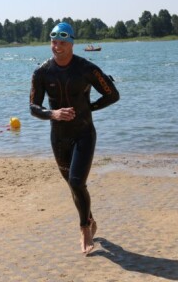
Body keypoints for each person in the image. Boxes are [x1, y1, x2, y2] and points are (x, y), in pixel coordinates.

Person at [29, 22, 120, 256]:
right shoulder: (42, 72)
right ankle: (89, 218)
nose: (56, 46)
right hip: (59, 137)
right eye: (53, 42)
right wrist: (53, 114)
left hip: (84, 133)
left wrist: (89, 108)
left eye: (62, 42)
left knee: (77, 182)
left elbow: (112, 95)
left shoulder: (87, 68)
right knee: (73, 184)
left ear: (71, 43)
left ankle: (84, 230)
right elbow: (33, 107)